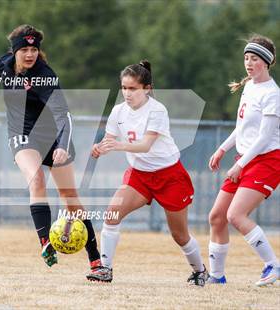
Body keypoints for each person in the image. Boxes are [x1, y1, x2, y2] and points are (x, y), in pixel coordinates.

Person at [0, 24, 101, 276]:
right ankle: (46, 243)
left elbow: (64, 115)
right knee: (36, 180)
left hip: (55, 139)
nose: (30, 53)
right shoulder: (5, 63)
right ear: (14, 52)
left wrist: (63, 147)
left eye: (34, 49)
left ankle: (95, 260)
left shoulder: (44, 75)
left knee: (71, 199)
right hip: (22, 136)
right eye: (24, 48)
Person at [86, 60, 208, 285]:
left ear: (147, 88)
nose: (127, 93)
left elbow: (145, 145)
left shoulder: (157, 110)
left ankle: (200, 270)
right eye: (123, 88)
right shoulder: (118, 111)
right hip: (139, 175)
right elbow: (109, 139)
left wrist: (117, 146)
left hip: (170, 176)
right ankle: (105, 269)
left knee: (179, 235)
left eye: (132, 88)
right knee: (112, 213)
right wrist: (99, 148)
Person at [207, 34, 279, 286]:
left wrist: (240, 165)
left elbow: (264, 137)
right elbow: (242, 128)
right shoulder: (249, 86)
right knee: (217, 216)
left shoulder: (272, 94)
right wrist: (222, 149)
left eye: (255, 58)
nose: (249, 63)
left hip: (267, 161)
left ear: (267, 62)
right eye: (247, 58)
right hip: (246, 158)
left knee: (236, 215)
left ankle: (273, 265)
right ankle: (216, 277)